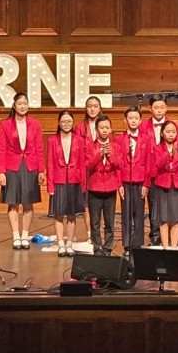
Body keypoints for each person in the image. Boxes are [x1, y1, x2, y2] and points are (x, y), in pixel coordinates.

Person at [0, 92, 45, 250]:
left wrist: (41, 170)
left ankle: (25, 235)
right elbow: (1, 149)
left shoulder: (35, 124)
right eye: (20, 104)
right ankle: (16, 235)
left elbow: (39, 148)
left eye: (25, 103)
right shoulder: (5, 125)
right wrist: (1, 171)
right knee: (13, 202)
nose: (23, 106)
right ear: (14, 105)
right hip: (12, 166)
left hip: (30, 165)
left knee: (28, 202)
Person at [141, 94, 178, 245]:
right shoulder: (143, 126)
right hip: (151, 169)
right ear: (150, 108)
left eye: (162, 107)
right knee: (154, 205)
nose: (159, 110)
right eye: (156, 107)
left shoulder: (173, 125)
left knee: (171, 205)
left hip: (170, 172)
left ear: (167, 108)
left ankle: (172, 238)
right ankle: (155, 235)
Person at [46, 110, 86, 257]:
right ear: (59, 123)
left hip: (75, 180)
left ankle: (69, 243)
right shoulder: (52, 140)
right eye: (63, 121)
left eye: (69, 121)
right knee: (58, 214)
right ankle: (60, 244)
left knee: (71, 214)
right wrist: (50, 185)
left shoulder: (79, 140)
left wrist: (83, 184)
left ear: (73, 122)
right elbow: (50, 163)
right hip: (59, 180)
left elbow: (82, 163)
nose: (66, 124)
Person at [113, 106, 151, 252]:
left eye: (136, 118)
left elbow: (148, 162)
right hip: (125, 180)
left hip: (140, 181)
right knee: (126, 213)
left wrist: (146, 184)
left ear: (140, 120)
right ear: (125, 120)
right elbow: (117, 163)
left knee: (139, 213)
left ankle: (138, 243)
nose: (133, 121)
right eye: (131, 118)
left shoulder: (146, 138)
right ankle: (128, 244)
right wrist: (119, 184)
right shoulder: (119, 139)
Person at [148, 120, 178, 248]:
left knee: (175, 220)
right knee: (164, 219)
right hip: (162, 186)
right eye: (168, 131)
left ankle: (174, 248)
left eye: (173, 132)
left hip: (177, 186)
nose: (171, 134)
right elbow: (158, 164)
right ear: (162, 133)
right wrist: (169, 154)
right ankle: (165, 247)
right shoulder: (157, 148)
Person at [85, 115, 121, 255]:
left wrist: (110, 156)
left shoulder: (115, 146)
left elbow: (120, 164)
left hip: (110, 187)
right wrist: (100, 154)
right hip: (95, 187)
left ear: (111, 129)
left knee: (109, 220)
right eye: (102, 128)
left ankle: (108, 246)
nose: (105, 130)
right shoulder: (90, 146)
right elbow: (87, 165)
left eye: (107, 128)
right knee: (95, 221)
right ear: (96, 129)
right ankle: (97, 246)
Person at [75, 94, 104, 242]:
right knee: (87, 203)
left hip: (102, 169)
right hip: (85, 168)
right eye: (89, 106)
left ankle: (99, 233)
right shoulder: (80, 127)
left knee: (100, 203)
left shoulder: (104, 124)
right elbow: (77, 149)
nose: (92, 109)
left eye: (95, 106)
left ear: (100, 108)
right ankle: (89, 235)